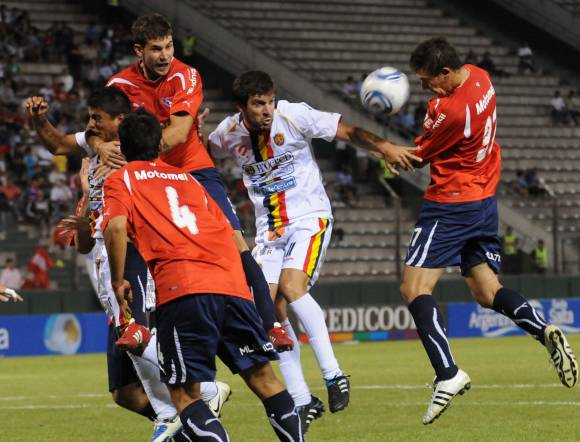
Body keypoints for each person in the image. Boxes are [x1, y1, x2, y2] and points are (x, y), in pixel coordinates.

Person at [208, 70, 421, 430]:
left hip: (309, 218)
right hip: (269, 233)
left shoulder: (293, 115)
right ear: (241, 107)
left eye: (270, 101)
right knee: (266, 310)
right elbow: (199, 155)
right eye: (258, 104)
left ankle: (334, 374)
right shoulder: (226, 133)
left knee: (292, 288)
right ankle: (302, 399)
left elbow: (348, 132)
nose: (267, 110)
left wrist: (385, 147)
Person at [25, 89, 230, 441]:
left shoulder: (130, 156)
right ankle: (175, 412)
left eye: (97, 118)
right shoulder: (96, 152)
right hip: (103, 258)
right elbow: (59, 147)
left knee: (133, 333)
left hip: (131, 253)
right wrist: (86, 204)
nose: (90, 125)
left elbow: (135, 202)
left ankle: (197, 395)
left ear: (120, 121)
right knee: (124, 378)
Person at [396, 37, 577, 425]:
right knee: (487, 291)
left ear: (447, 72)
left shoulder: (450, 110)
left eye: (428, 80)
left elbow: (416, 156)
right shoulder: (480, 77)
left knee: (413, 288)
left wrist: (381, 147)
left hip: (451, 202)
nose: (426, 87)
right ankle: (543, 330)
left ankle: (447, 373)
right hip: (483, 199)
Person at [102, 108, 304, 442]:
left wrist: (118, 279)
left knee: (184, 394)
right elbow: (229, 236)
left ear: (122, 149)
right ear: (160, 145)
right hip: (231, 283)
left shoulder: (121, 179)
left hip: (184, 287)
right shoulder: (190, 180)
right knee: (265, 380)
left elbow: (116, 227)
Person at [103, 13, 291, 352]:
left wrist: (136, 147)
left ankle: (271, 324)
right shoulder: (119, 86)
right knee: (131, 236)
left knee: (234, 240)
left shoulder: (186, 76)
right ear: (138, 51)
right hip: (148, 170)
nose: (165, 55)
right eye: (156, 49)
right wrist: (100, 145)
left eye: (169, 46)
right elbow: (98, 127)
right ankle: (136, 325)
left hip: (192, 168)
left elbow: (177, 134)